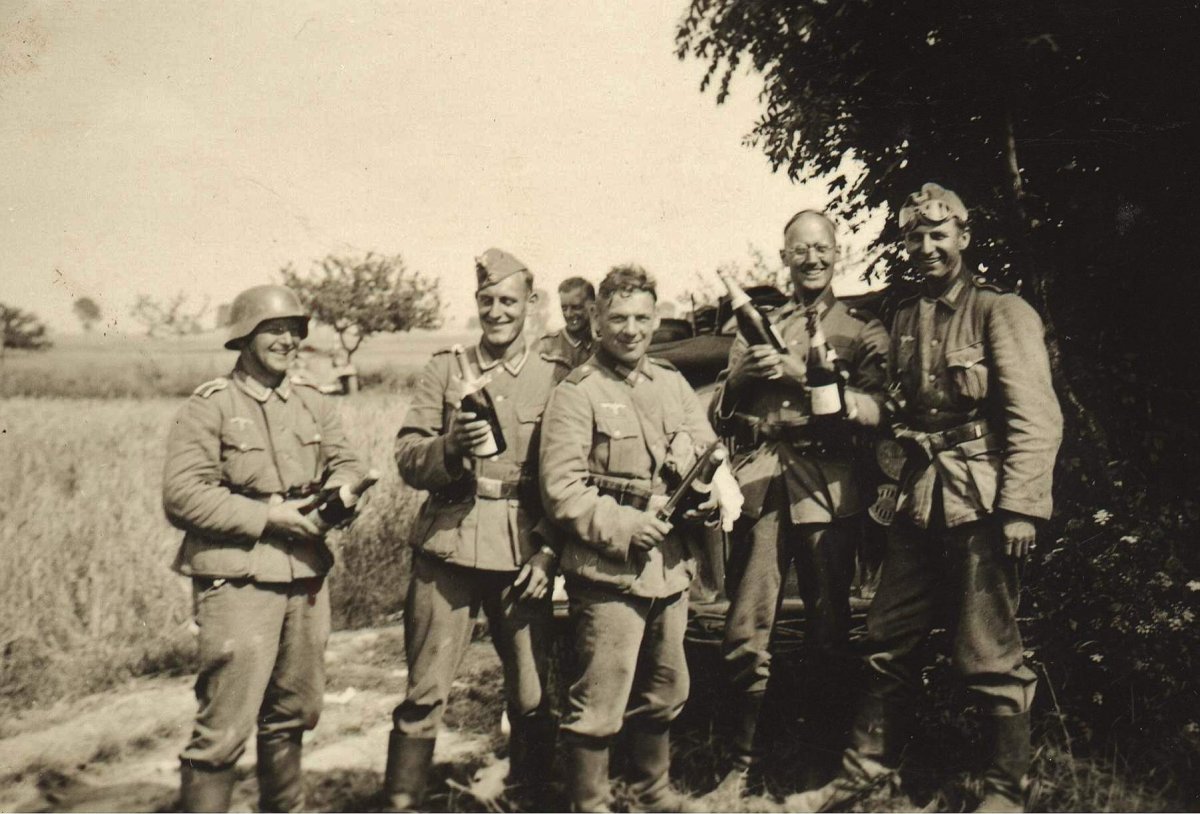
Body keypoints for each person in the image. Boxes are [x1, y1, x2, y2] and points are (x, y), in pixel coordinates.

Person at [796, 183, 1063, 813]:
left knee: (987, 649)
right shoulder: (903, 317)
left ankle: (1007, 787)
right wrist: (849, 404)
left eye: (938, 235)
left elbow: (1036, 417)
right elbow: (896, 409)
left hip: (981, 504)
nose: (926, 248)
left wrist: (1021, 508)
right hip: (917, 501)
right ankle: (866, 772)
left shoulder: (1001, 311)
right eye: (915, 237)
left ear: (963, 237)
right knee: (886, 637)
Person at [163, 284, 368, 812]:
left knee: (294, 713)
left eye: (294, 330)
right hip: (239, 579)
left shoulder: (312, 402)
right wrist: (267, 516)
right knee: (224, 726)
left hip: (304, 573)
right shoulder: (211, 406)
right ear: (244, 337)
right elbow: (182, 495)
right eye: (273, 330)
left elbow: (346, 461)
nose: (287, 340)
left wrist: (339, 497)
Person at [711, 210, 890, 797]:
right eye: (800, 249)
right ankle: (739, 765)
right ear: (784, 256)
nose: (811, 259)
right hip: (763, 483)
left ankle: (818, 765)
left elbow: (881, 408)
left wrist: (799, 373)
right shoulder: (759, 324)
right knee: (746, 629)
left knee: (828, 630)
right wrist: (741, 378)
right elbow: (720, 412)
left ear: (838, 254)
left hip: (828, 487)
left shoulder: (860, 328)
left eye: (822, 248)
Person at [385, 248, 565, 810]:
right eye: (487, 300)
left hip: (522, 553)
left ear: (531, 304)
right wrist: (449, 448)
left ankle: (529, 797)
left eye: (509, 300)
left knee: (533, 695)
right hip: (447, 549)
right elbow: (407, 456)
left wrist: (549, 552)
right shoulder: (446, 368)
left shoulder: (554, 375)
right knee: (424, 691)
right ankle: (402, 802)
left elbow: (572, 474)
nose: (497, 311)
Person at [540, 265, 719, 813]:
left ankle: (651, 791)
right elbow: (562, 489)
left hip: (669, 567)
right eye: (618, 318)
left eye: (642, 317)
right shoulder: (577, 392)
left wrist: (707, 496)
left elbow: (707, 453)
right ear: (597, 321)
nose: (631, 329)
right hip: (608, 571)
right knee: (599, 700)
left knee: (667, 689)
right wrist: (625, 526)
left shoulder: (671, 383)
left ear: (656, 319)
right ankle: (589, 802)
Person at [540, 276, 597, 373]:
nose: (568, 314)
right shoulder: (547, 346)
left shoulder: (604, 343)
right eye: (564, 308)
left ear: (593, 307)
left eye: (576, 307)